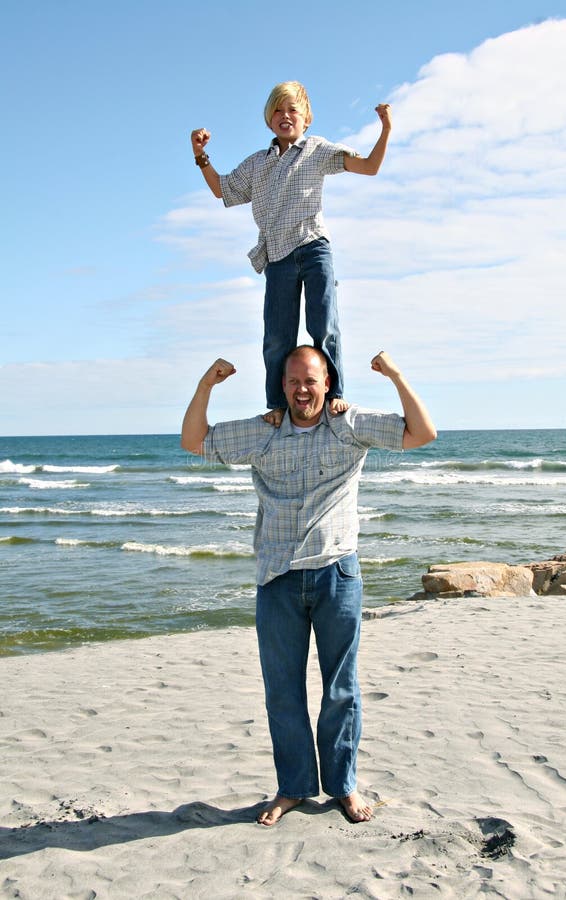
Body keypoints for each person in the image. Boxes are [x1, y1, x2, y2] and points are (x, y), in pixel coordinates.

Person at [181, 345, 436, 826]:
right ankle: (293, 788)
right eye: (294, 380)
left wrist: (395, 374)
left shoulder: (348, 425)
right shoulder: (263, 432)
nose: (303, 389)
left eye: (311, 380)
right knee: (283, 692)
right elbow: (195, 441)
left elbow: (423, 433)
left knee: (341, 689)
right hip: (277, 578)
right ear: (283, 385)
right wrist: (205, 386)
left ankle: (343, 787)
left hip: (337, 573)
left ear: (327, 383)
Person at [190, 82, 392, 423]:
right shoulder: (257, 164)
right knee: (277, 334)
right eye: (279, 111)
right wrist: (200, 155)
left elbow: (370, 166)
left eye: (293, 110)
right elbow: (221, 189)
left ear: (306, 119)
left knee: (323, 324)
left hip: (313, 247)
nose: (286, 117)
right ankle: (277, 405)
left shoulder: (317, 150)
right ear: (269, 120)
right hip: (278, 257)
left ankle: (335, 395)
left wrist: (385, 129)